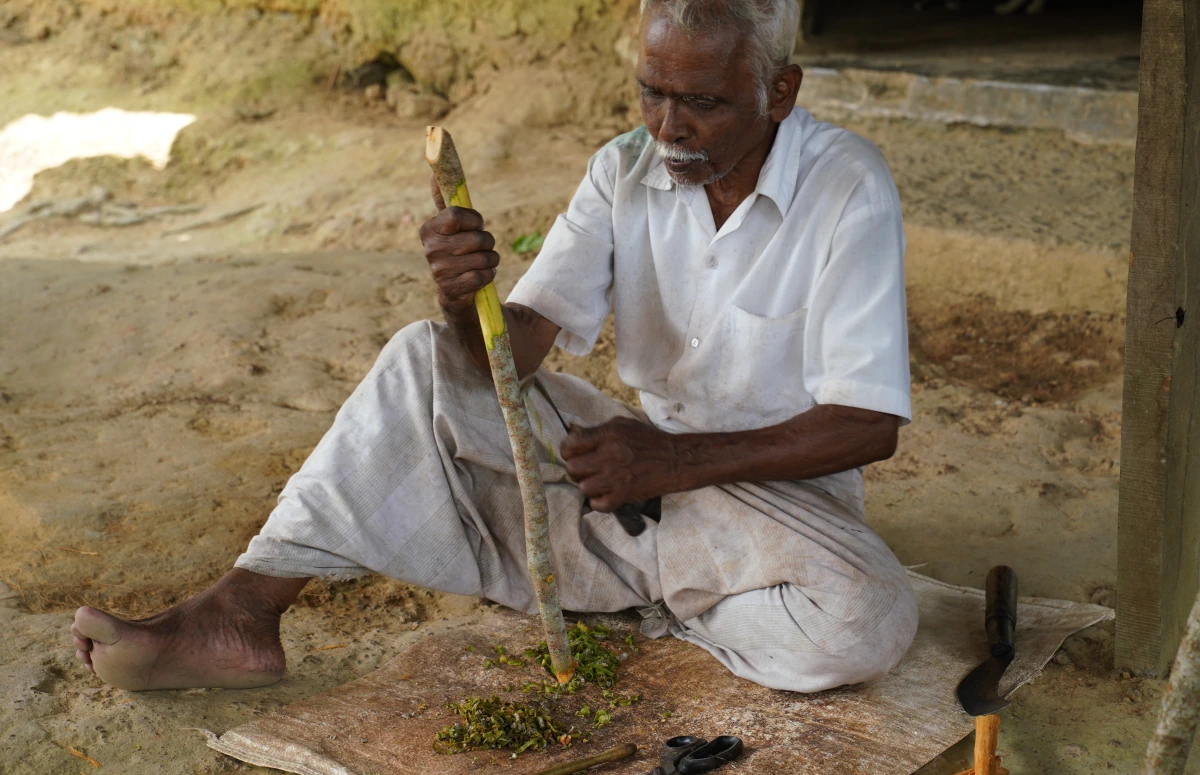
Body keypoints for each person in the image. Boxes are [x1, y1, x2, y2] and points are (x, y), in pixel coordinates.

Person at [71, 0, 918, 694]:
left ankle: (642, 582)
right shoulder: (622, 168)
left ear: (779, 91)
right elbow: (506, 362)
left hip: (778, 501)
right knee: (419, 359)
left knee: (868, 619)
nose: (668, 126)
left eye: (702, 103)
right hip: (640, 479)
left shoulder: (847, 188)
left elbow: (867, 426)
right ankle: (242, 612)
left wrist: (672, 462)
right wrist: (461, 301)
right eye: (651, 93)